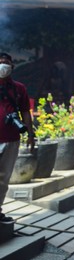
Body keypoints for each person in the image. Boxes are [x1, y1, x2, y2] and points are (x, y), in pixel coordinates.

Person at [0, 53, 34, 223]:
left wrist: (31, 134)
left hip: (11, 139)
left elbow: (25, 111)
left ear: (12, 66)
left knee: (3, 178)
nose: (2, 66)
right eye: (0, 63)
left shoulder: (19, 88)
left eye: (6, 63)